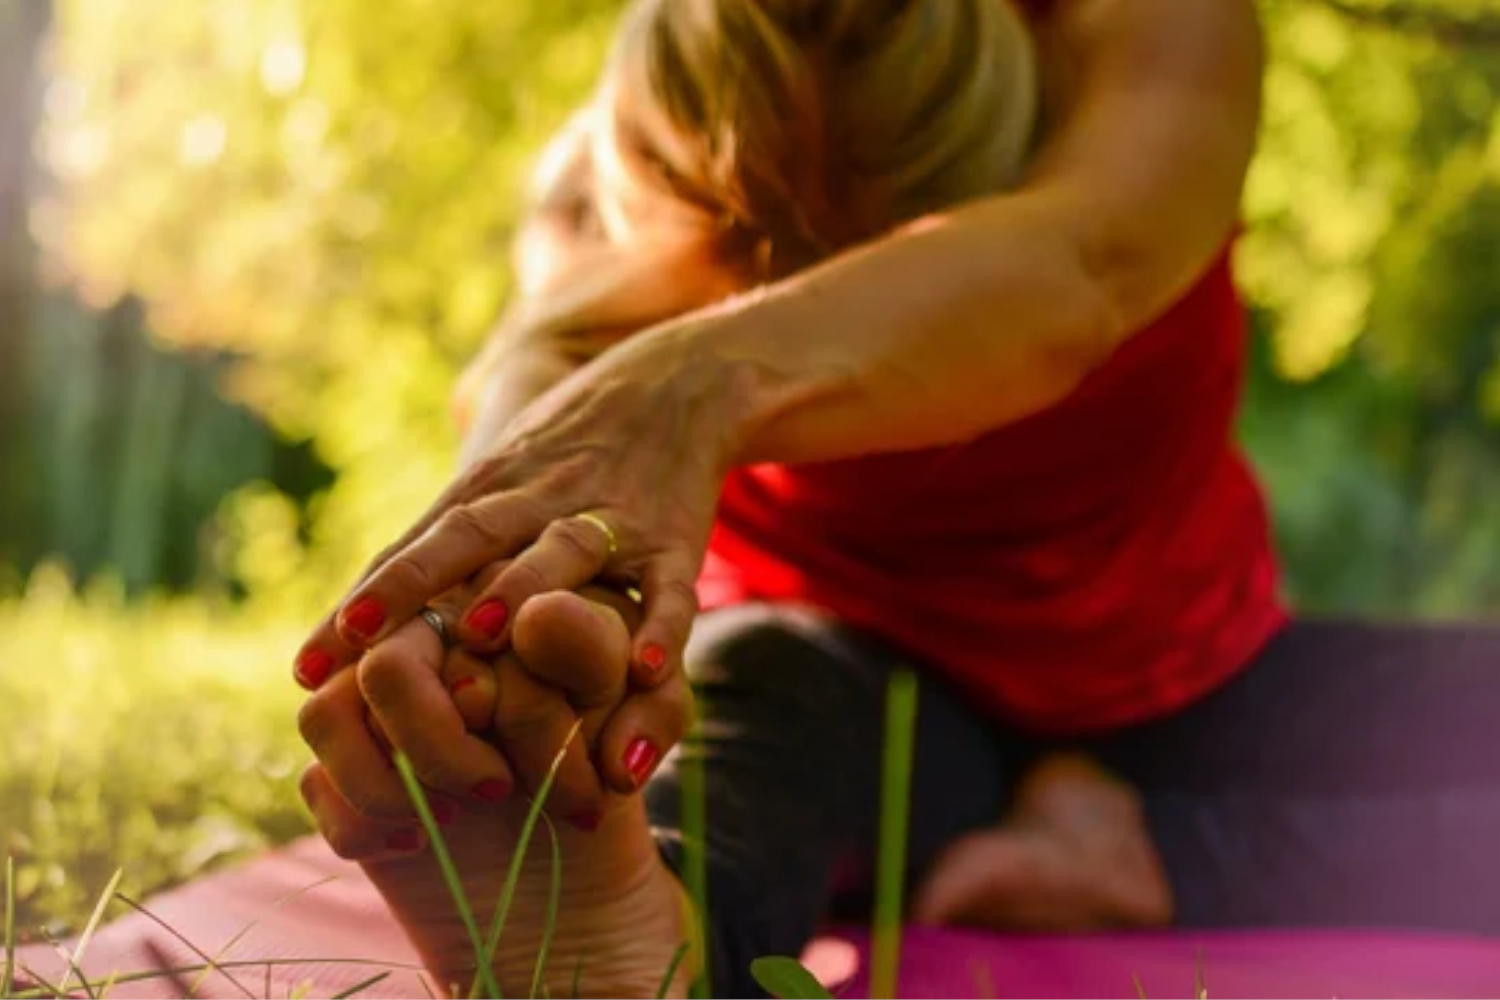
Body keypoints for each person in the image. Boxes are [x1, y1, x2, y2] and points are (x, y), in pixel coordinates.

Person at [291, 0, 1500, 997]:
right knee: (750, 723)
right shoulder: (619, 166)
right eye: (770, 254)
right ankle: (626, 941)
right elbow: (530, 401)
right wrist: (482, 643)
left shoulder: (1153, 35)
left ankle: (1137, 852)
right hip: (849, 678)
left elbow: (1078, 270)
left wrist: (683, 381)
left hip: (1197, 677)